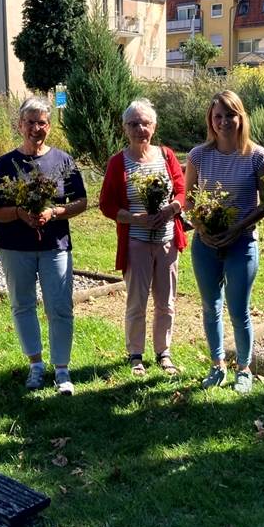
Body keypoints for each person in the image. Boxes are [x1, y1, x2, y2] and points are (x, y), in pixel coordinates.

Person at [0, 97, 88, 395]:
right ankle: (35, 365)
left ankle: (62, 369)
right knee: (23, 305)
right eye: (30, 122)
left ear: (49, 126)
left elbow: (81, 201)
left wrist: (54, 211)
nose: (35, 128)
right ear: (20, 125)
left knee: (60, 306)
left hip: (55, 244)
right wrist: (18, 212)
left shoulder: (63, 160)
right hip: (16, 246)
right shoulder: (6, 164)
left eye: (41, 122)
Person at [184, 90, 264, 394]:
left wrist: (237, 228)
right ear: (211, 120)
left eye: (230, 115)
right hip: (205, 244)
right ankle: (217, 364)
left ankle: (244, 367)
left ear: (241, 117)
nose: (224, 121)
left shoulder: (258, 156)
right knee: (211, 306)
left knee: (238, 309)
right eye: (217, 116)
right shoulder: (198, 155)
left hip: (242, 243)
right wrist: (201, 228)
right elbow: (189, 202)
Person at [99, 99, 186, 376]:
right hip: (135, 241)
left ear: (154, 126)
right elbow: (106, 204)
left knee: (166, 302)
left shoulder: (167, 156)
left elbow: (183, 192)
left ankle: (164, 352)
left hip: (167, 240)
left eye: (145, 123)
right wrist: (132, 217)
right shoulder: (118, 162)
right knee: (137, 301)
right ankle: (135, 354)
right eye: (133, 124)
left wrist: (172, 209)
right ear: (125, 128)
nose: (140, 129)